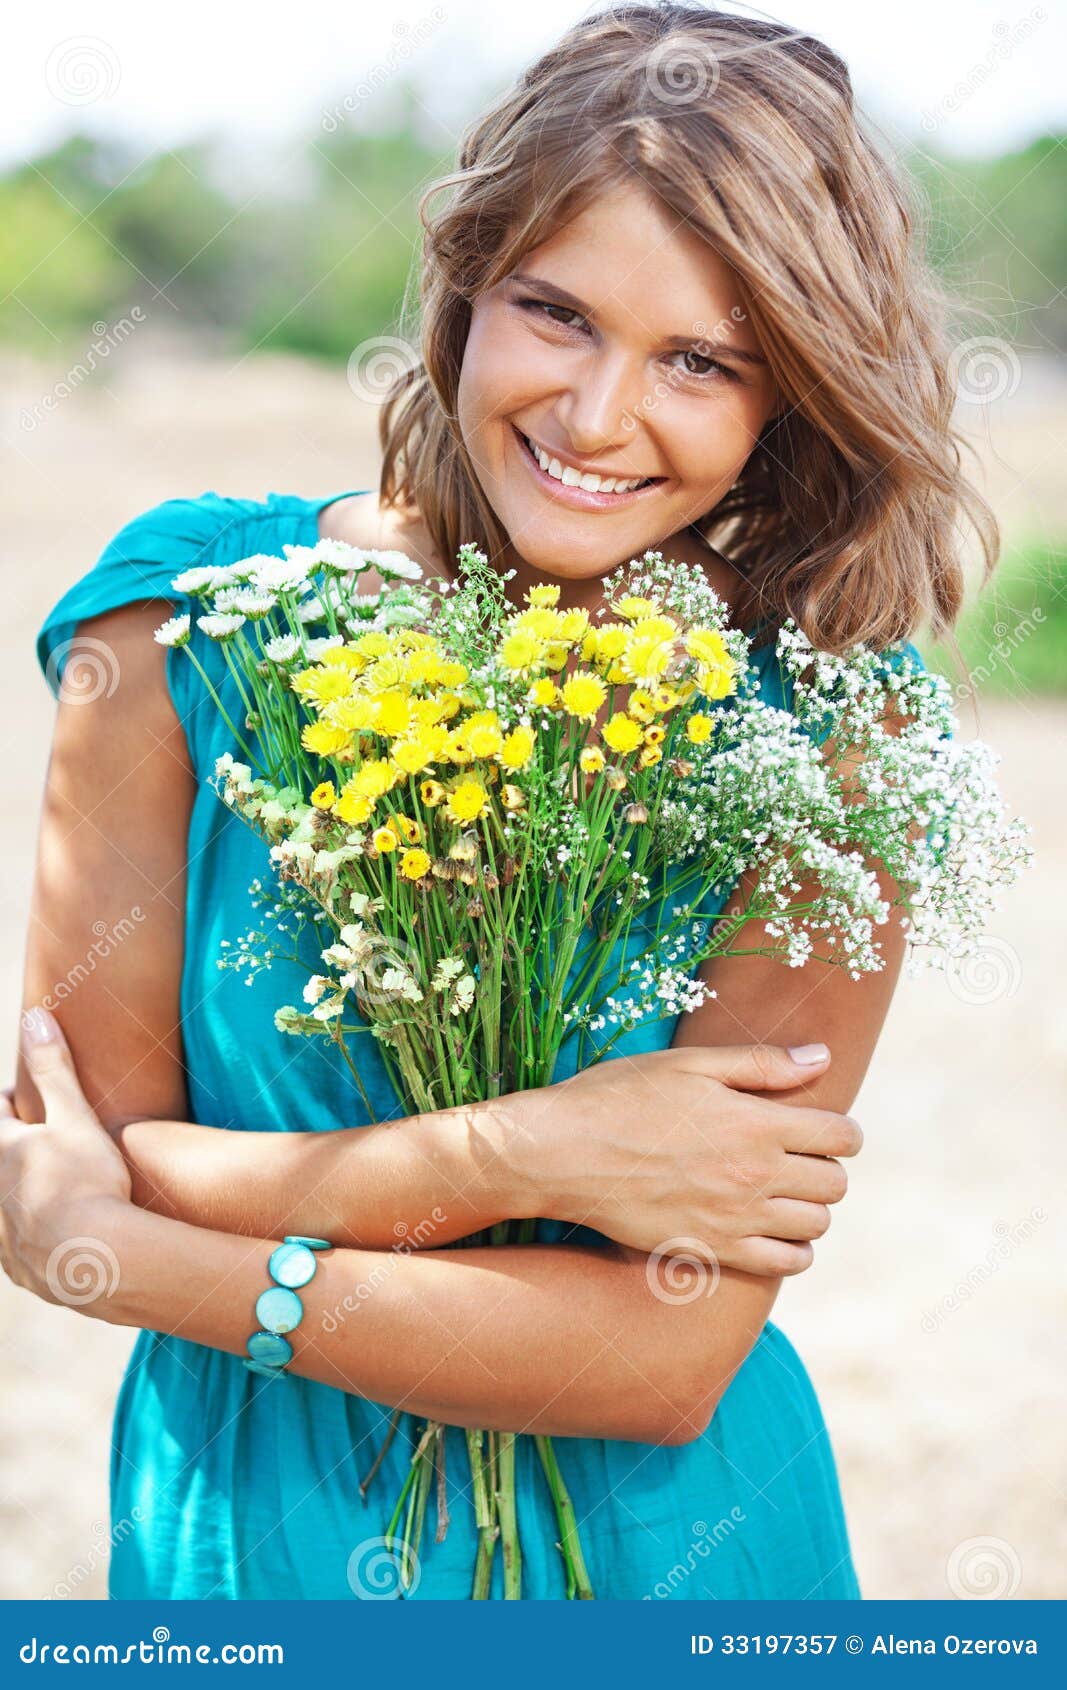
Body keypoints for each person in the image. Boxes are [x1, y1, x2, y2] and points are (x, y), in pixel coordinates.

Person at [0, 5, 994, 1600]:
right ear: (464, 291)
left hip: (667, 1556)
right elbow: (90, 1150)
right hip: (246, 1554)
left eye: (701, 361)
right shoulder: (175, 626)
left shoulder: (838, 735)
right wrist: (537, 1152)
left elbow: (659, 1359)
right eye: (555, 312)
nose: (599, 418)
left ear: (789, 393)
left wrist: (157, 1256)